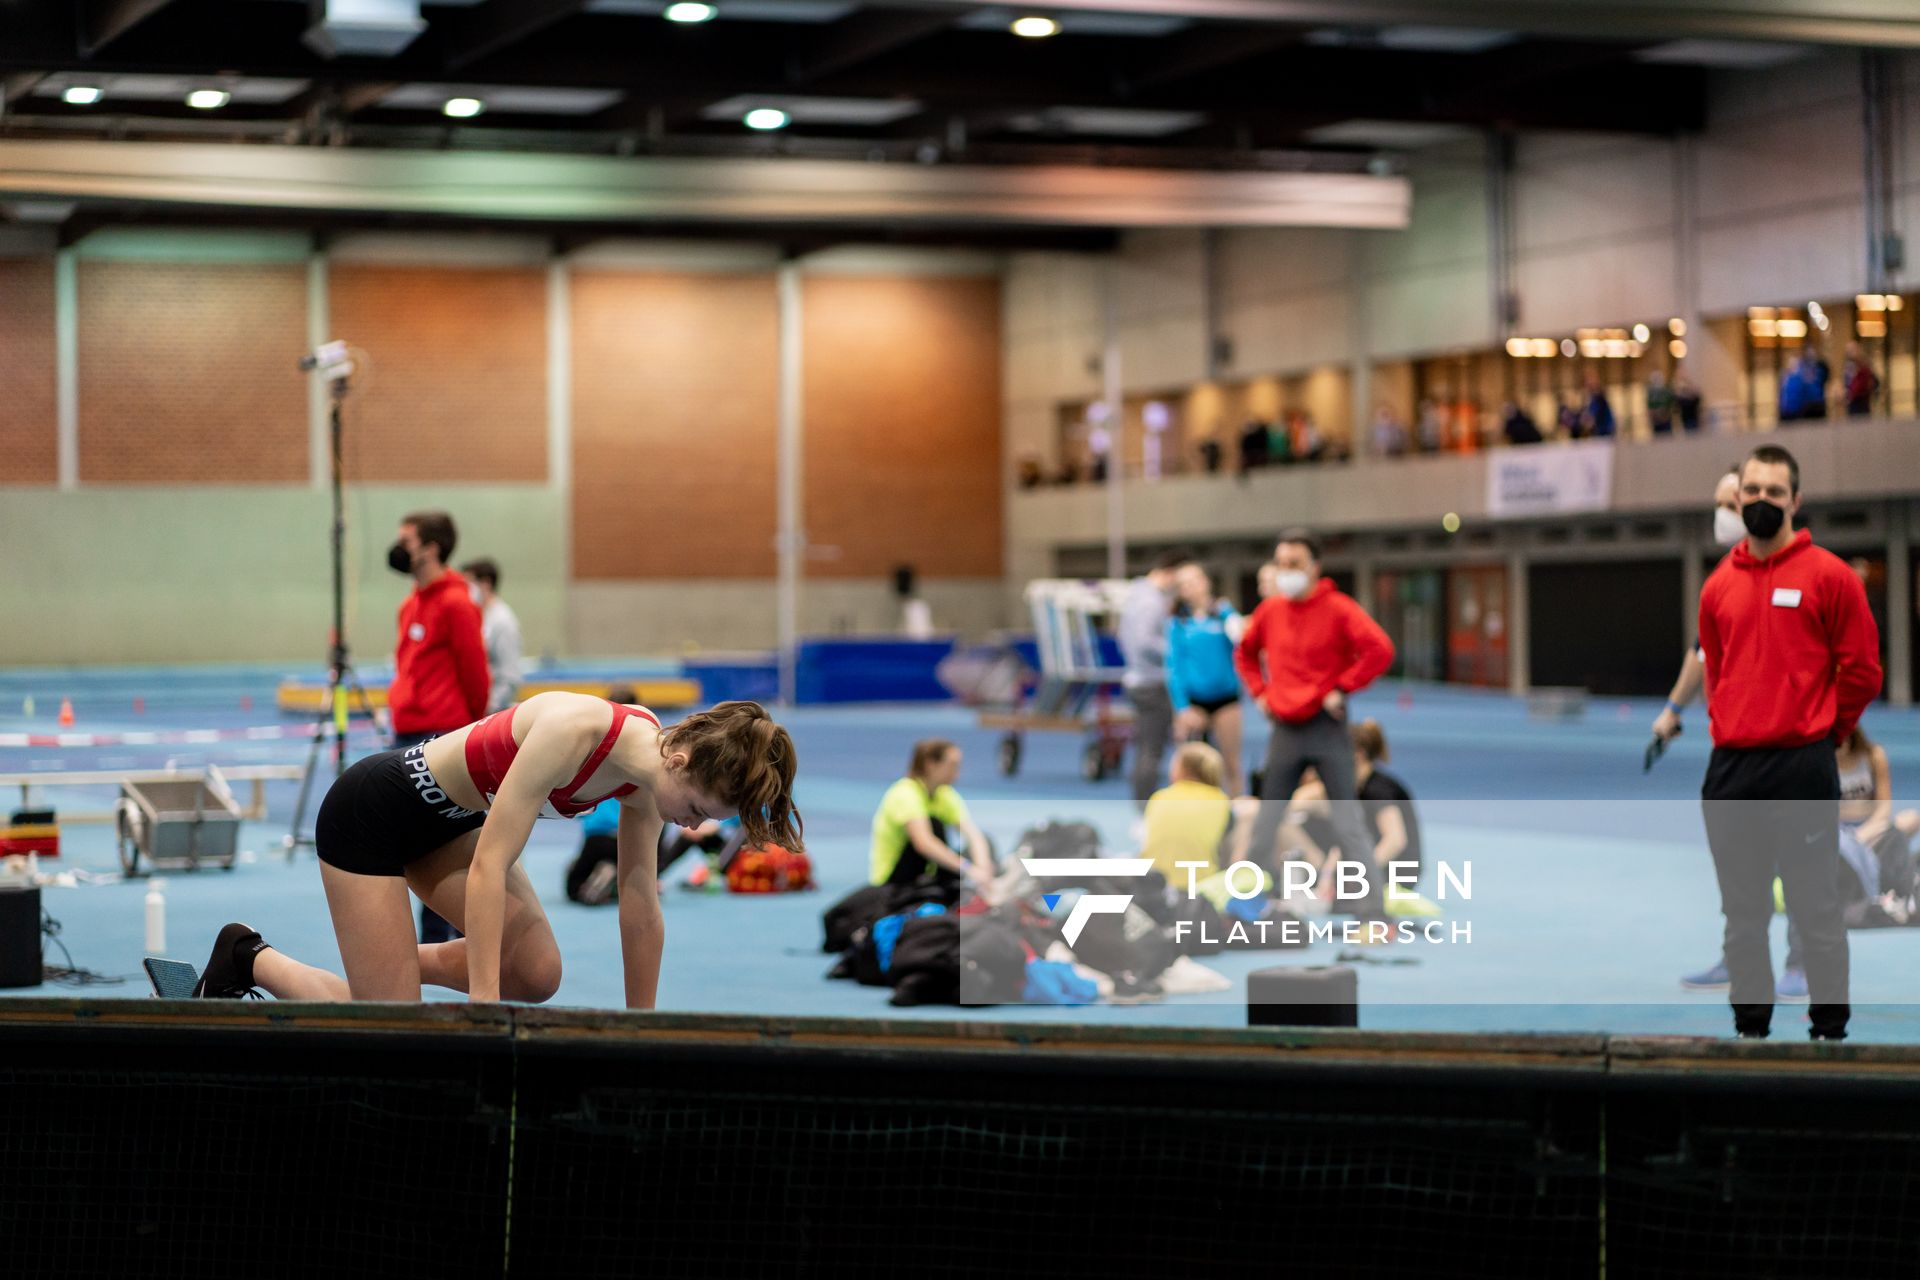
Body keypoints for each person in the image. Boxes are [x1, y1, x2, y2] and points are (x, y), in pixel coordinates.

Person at [191, 697, 799, 1007]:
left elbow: (639, 902)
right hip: (370, 814)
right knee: (393, 1030)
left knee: (538, 974)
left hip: (449, 827)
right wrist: (484, 1010)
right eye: (695, 810)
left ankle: (390, 967)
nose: (691, 828)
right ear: (681, 758)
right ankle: (249, 956)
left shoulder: (649, 781)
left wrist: (646, 1031)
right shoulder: (576, 731)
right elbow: (490, 869)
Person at [1697, 444, 1881, 1040]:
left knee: (1815, 910)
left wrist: (1826, 733)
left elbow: (1862, 672)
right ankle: (1751, 1033)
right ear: (1738, 496)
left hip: (1802, 767)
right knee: (1742, 918)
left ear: (1795, 501)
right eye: (1751, 491)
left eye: (1774, 492)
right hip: (1732, 772)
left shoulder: (1829, 577)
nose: (1761, 501)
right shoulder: (1717, 587)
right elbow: (1718, 671)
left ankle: (1829, 1034)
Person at [1233, 529, 1394, 885]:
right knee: (1265, 822)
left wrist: (1343, 687)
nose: (1286, 570)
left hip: (1326, 727)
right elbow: (1244, 653)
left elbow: (1380, 650)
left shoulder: (1339, 609)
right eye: (1281, 563)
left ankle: (1373, 913)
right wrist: (1260, 692)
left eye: (1295, 563)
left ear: (1314, 567)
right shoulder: (1270, 610)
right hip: (1285, 730)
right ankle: (1247, 904)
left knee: (1348, 822)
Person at [387, 511, 490, 945]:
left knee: (445, 850)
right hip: (406, 735)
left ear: (430, 548)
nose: (398, 547)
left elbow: (475, 675)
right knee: (407, 848)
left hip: (442, 736)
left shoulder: (456, 602)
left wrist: (466, 738)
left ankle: (447, 943)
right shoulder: (410, 602)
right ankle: (425, 943)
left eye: (406, 539)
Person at [1118, 550, 1194, 807]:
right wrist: (1179, 650)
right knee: (1151, 751)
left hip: (1142, 679)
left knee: (1149, 749)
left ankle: (1146, 809)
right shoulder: (1150, 601)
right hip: (1151, 684)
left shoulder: (1137, 596)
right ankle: (1144, 811)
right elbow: (1144, 642)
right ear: (1169, 573)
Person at [1167, 562, 1246, 797]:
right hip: (1194, 702)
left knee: (1231, 764)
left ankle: (1236, 814)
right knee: (1191, 768)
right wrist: (1181, 707)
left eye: (1195, 580)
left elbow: (1242, 639)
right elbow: (1174, 667)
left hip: (1226, 699)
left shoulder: (1223, 614)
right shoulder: (1178, 623)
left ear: (1206, 582)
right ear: (1181, 591)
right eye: (1184, 584)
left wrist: (1227, 614)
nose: (1191, 587)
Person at [870, 739, 992, 889]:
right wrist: (968, 869)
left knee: (986, 840)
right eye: (952, 765)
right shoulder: (905, 793)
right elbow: (924, 843)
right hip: (894, 882)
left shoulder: (944, 794)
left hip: (927, 874)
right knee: (934, 825)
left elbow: (974, 836)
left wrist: (983, 869)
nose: (957, 772)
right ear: (931, 765)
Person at [1140, 742, 1232, 883]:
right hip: (1199, 885)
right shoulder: (1221, 800)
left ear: (1180, 770)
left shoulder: (1159, 796)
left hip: (1153, 883)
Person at [461, 558, 524, 714]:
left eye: (469, 584)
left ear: (485, 583)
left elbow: (509, 677)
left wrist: (487, 710)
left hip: (488, 713)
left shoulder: (503, 622)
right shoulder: (474, 616)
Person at [1842, 343, 1879, 418]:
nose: (1849, 353)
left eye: (1852, 350)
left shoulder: (1864, 366)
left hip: (1862, 402)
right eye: (1848, 351)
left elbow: (1874, 382)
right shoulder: (1847, 366)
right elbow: (1847, 382)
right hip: (1852, 402)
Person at [1646, 369, 1676, 436]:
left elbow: (1671, 405)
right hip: (1656, 421)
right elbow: (1650, 407)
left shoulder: (1666, 391)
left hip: (1666, 420)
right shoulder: (1651, 393)